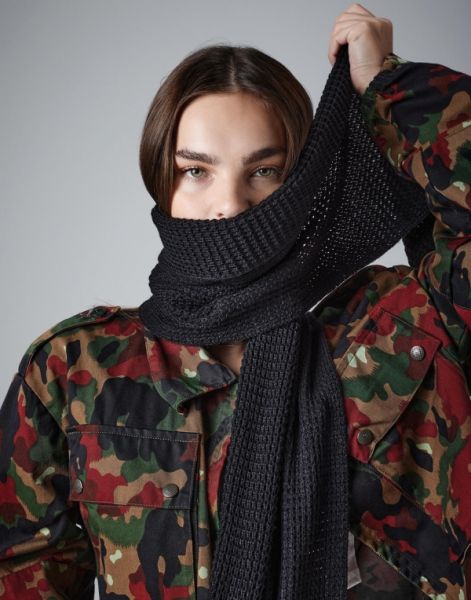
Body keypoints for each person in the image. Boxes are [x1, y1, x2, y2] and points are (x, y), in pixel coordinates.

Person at [0, 3, 470, 598]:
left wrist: (387, 86)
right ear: (160, 178)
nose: (230, 204)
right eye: (196, 171)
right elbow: (22, 572)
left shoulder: (393, 337)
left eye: (264, 170)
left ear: (303, 182)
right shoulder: (75, 369)